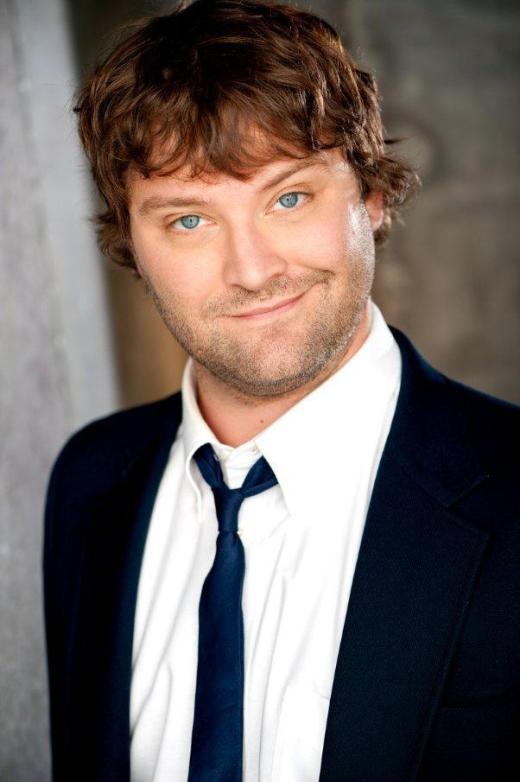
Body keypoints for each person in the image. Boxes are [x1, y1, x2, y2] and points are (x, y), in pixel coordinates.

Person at [43, 1, 519, 780]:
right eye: (189, 220)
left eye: (289, 198)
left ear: (370, 195)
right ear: (131, 241)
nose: (253, 269)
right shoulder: (89, 481)